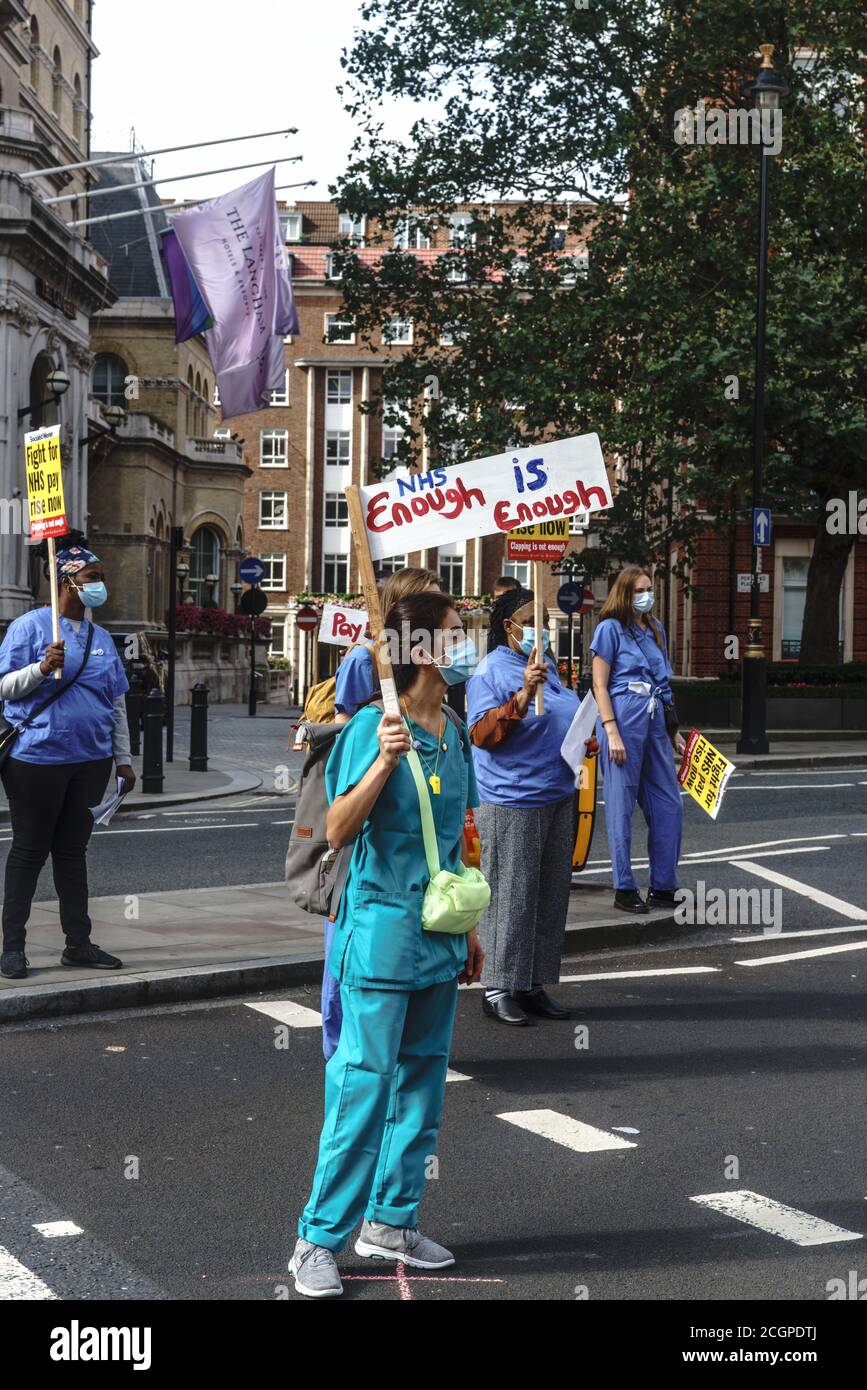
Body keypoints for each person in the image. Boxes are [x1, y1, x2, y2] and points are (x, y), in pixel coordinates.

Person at [290, 590, 483, 1298]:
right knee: (361, 1089)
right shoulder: (374, 724)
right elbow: (335, 830)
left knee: (421, 1086)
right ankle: (316, 1238)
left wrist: (471, 928)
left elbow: (463, 831)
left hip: (438, 933)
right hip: (377, 932)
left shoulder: (454, 730)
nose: (467, 645)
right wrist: (379, 763)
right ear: (421, 650)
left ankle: (391, 1221)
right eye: (456, 635)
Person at [320, 565, 442, 1060]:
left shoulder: (443, 711)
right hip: (365, 815)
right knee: (345, 942)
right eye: (433, 605)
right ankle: (341, 1045)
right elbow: (345, 735)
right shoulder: (363, 659)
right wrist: (383, 751)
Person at [0, 545, 136, 980]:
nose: (99, 583)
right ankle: (12, 949)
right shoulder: (29, 627)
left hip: (90, 761)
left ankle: (78, 943)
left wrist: (124, 760)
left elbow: (115, 702)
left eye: (100, 575)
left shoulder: (100, 637)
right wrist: (40, 669)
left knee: (72, 852)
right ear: (67, 581)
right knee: (28, 851)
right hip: (36, 759)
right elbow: (4, 688)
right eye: (92, 575)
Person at [466, 586, 579, 1026]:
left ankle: (531, 983)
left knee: (548, 894)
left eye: (546, 623)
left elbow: (557, 716)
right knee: (512, 894)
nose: (541, 630)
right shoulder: (491, 670)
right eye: (532, 622)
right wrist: (519, 697)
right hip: (513, 798)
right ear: (508, 626)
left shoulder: (545, 667)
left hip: (556, 793)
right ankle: (497, 986)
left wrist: (579, 738)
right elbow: (481, 733)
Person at [590, 565, 685, 914]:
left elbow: (664, 684)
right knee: (621, 805)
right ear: (625, 594)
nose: (648, 595)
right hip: (623, 718)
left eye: (650, 588)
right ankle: (624, 886)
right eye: (640, 589)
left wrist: (673, 731)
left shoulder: (656, 629)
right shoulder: (609, 629)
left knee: (669, 806)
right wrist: (610, 729)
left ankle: (663, 885)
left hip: (656, 717)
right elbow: (599, 684)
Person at [333, 566, 442, 723]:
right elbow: (344, 723)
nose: (440, 612)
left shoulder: (426, 655)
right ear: (401, 609)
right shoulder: (363, 660)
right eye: (430, 605)